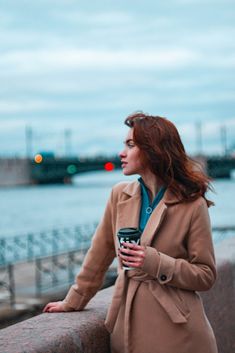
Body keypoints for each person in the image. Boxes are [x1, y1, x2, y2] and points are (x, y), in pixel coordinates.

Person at [43, 112, 218, 353]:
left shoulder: (192, 204)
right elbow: (99, 255)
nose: (121, 153)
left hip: (180, 335)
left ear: (152, 150)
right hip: (126, 326)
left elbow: (205, 275)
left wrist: (155, 262)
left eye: (130, 145)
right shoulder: (119, 195)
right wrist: (73, 301)